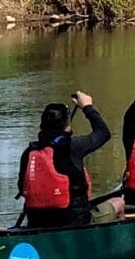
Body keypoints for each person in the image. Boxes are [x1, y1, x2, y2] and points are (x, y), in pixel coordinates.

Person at [18, 91, 113, 227]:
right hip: (76, 222)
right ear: (67, 126)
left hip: (37, 223)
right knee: (119, 203)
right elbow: (103, 133)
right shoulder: (73, 146)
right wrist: (87, 107)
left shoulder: (29, 152)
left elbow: (23, 189)